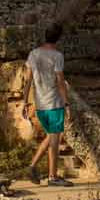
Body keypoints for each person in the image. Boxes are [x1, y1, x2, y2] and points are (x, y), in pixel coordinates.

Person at [22, 23, 71, 183]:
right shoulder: (57, 56)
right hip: (54, 103)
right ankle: (52, 176)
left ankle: (37, 169)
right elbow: (61, 82)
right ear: (58, 38)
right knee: (55, 140)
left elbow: (28, 80)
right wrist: (66, 103)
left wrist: (25, 102)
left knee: (51, 136)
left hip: (40, 103)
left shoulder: (33, 54)